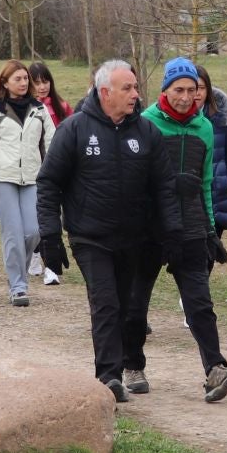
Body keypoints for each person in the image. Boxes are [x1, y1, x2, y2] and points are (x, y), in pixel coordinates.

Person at [37, 59, 182, 401]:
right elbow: (49, 183)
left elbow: (164, 187)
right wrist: (50, 236)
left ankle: (131, 363)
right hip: (90, 237)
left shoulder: (147, 133)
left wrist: (173, 233)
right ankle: (108, 378)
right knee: (105, 304)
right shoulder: (74, 129)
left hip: (135, 238)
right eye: (127, 88)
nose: (135, 94)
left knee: (130, 309)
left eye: (135, 87)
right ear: (105, 92)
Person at [137, 57, 227, 401]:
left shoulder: (204, 128)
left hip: (192, 226)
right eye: (179, 89)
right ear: (165, 90)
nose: (187, 97)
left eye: (193, 89)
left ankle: (215, 369)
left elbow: (207, 183)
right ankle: (131, 365)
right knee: (136, 302)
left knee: (200, 303)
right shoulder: (146, 123)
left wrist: (211, 229)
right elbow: (135, 181)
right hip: (151, 229)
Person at [0, 59, 55, 305]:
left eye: (25, 78)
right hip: (1, 178)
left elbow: (52, 144)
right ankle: (18, 286)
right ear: (5, 83)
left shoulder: (39, 109)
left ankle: (18, 275)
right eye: (17, 79)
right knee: (13, 233)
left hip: (33, 177)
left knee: (33, 231)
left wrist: (54, 178)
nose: (23, 82)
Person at [28, 61, 73, 286]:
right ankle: (38, 254)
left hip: (60, 169)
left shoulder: (62, 107)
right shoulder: (27, 108)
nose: (42, 87)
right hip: (34, 169)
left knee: (55, 216)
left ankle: (51, 260)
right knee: (39, 216)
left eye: (45, 81)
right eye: (36, 82)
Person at [198, 64, 227, 239]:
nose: (197, 93)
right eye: (193, 88)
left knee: (212, 253)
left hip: (218, 201)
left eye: (202, 88)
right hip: (191, 206)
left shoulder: (220, 118)